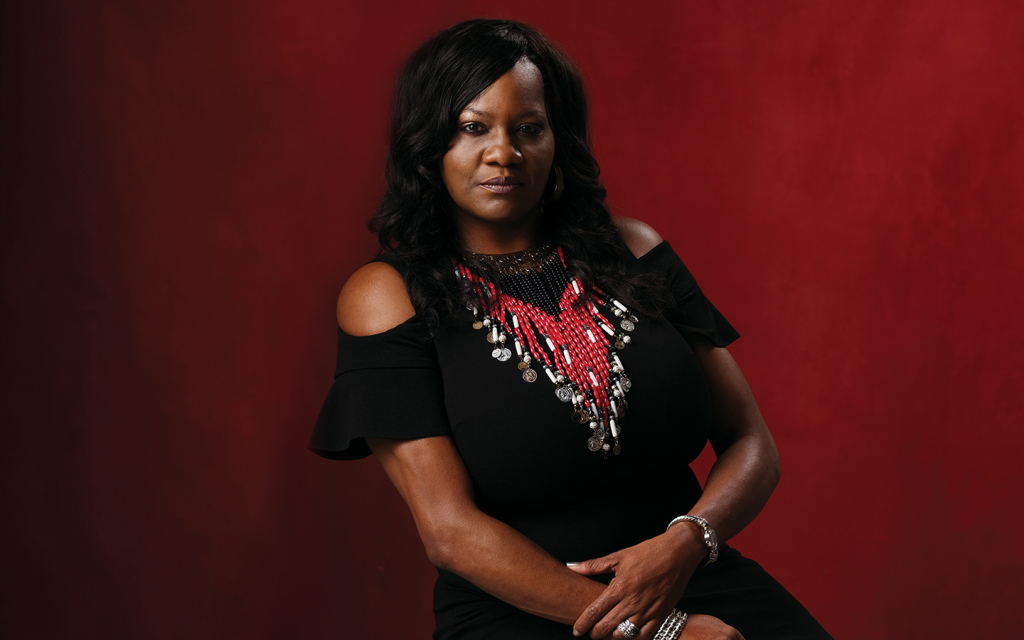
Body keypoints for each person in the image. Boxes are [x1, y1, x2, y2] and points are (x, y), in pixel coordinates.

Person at [310, 18, 832, 640]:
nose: (503, 152)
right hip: (527, 610)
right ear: (429, 143)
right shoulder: (387, 295)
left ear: (557, 140)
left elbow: (751, 443)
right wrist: (661, 628)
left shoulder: (634, 250)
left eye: (529, 128)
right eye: (473, 127)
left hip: (690, 573)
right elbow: (450, 533)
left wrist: (687, 541)